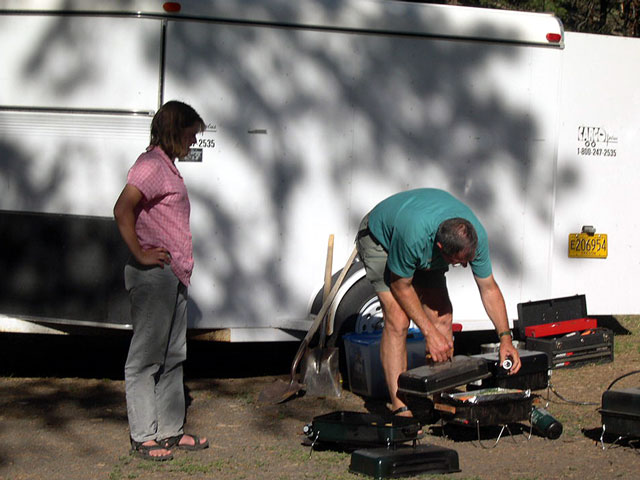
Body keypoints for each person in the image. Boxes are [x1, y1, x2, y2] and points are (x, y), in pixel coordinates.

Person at [355, 188, 521, 417]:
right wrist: (430, 334)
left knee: (442, 314)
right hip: (380, 239)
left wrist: (505, 339)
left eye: (468, 260)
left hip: (424, 238)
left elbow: (489, 288)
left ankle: (441, 394)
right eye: (458, 262)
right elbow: (400, 286)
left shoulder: (476, 238)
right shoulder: (413, 236)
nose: (464, 266)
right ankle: (400, 405)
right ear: (441, 249)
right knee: (397, 319)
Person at [113, 100, 209, 460]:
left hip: (174, 273)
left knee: (172, 354)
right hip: (154, 275)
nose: (192, 143)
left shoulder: (167, 167)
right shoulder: (152, 165)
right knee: (145, 357)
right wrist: (140, 253)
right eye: (189, 135)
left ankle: (170, 431)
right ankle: (143, 436)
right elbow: (122, 208)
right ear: (173, 131)